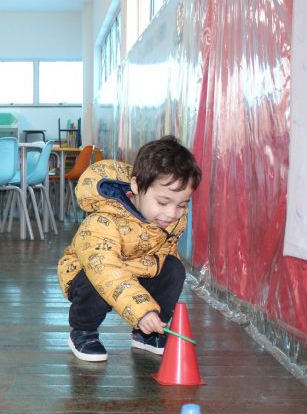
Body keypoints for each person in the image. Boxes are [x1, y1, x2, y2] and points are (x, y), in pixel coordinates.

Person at [57, 136, 202, 362]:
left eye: (182, 204)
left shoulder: (168, 220)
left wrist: (150, 311)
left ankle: (147, 333)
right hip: (94, 273)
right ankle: (83, 332)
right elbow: (107, 271)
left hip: (136, 271)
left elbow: (163, 257)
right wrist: (141, 310)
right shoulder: (102, 222)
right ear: (136, 186)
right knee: (95, 280)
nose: (172, 213)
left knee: (173, 269)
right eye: (163, 202)